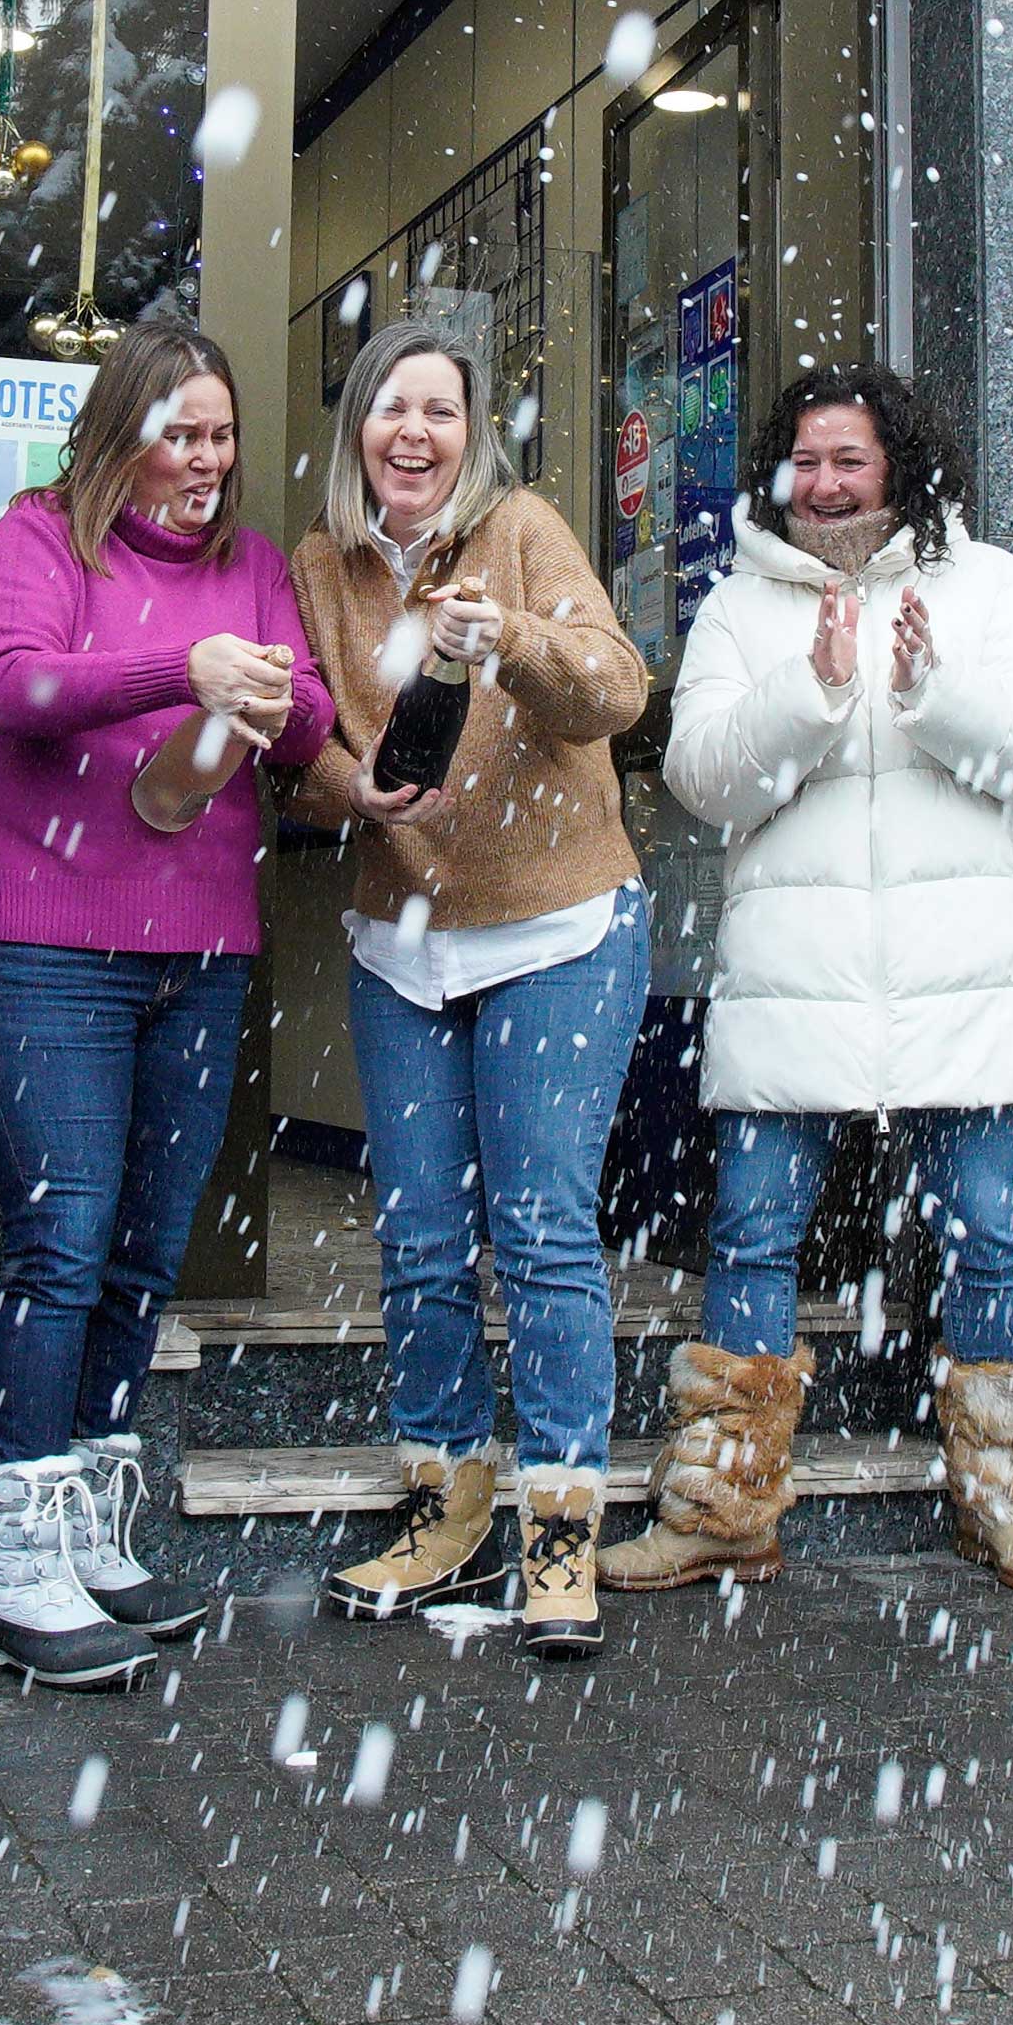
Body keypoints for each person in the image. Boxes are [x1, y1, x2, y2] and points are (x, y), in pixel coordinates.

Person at [610, 366, 1013, 1600]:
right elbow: (700, 778)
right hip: (795, 982)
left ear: (899, 466)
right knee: (754, 1233)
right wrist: (813, 692)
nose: (824, 486)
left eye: (850, 460)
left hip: (960, 978)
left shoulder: (987, 585)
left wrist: (934, 692)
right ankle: (721, 1509)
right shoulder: (737, 606)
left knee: (985, 1234)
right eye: (806, 462)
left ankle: (1004, 1503)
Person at [0, 319, 326, 1688]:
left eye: (221, 434)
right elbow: (14, 688)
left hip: (201, 948)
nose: (205, 459)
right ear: (121, 434)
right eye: (180, 430)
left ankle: (92, 1530)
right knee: (59, 1241)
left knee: (141, 1256)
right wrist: (185, 668)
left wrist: (278, 696)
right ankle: (13, 1560)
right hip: (46, 936)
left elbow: (305, 719)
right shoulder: (42, 536)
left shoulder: (254, 566)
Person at [285, 322, 650, 1656]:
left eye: (439, 411)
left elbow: (616, 687)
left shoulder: (524, 533)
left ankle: (562, 1528)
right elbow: (301, 734)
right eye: (391, 408)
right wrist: (346, 787)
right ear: (359, 432)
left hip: (558, 927)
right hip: (403, 936)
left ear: (473, 430)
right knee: (421, 1238)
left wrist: (512, 644)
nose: (414, 433)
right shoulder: (318, 568)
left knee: (544, 1230)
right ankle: (444, 1500)